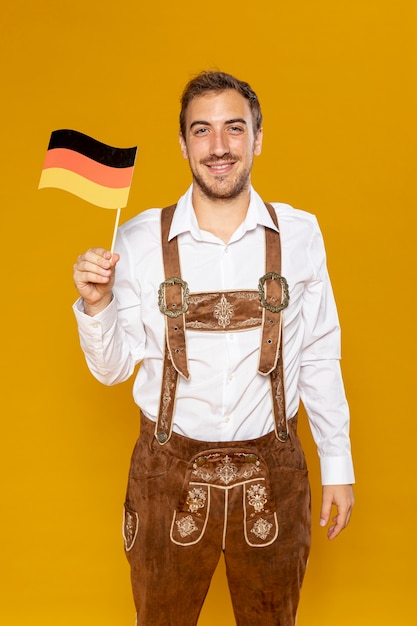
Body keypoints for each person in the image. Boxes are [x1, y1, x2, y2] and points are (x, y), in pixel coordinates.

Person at [73, 70, 354, 626]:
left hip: (274, 473)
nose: (219, 146)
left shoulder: (299, 234)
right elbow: (111, 372)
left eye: (234, 128)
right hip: (165, 475)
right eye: (202, 131)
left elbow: (319, 351)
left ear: (257, 136)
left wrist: (338, 464)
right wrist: (96, 305)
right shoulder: (134, 240)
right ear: (183, 144)